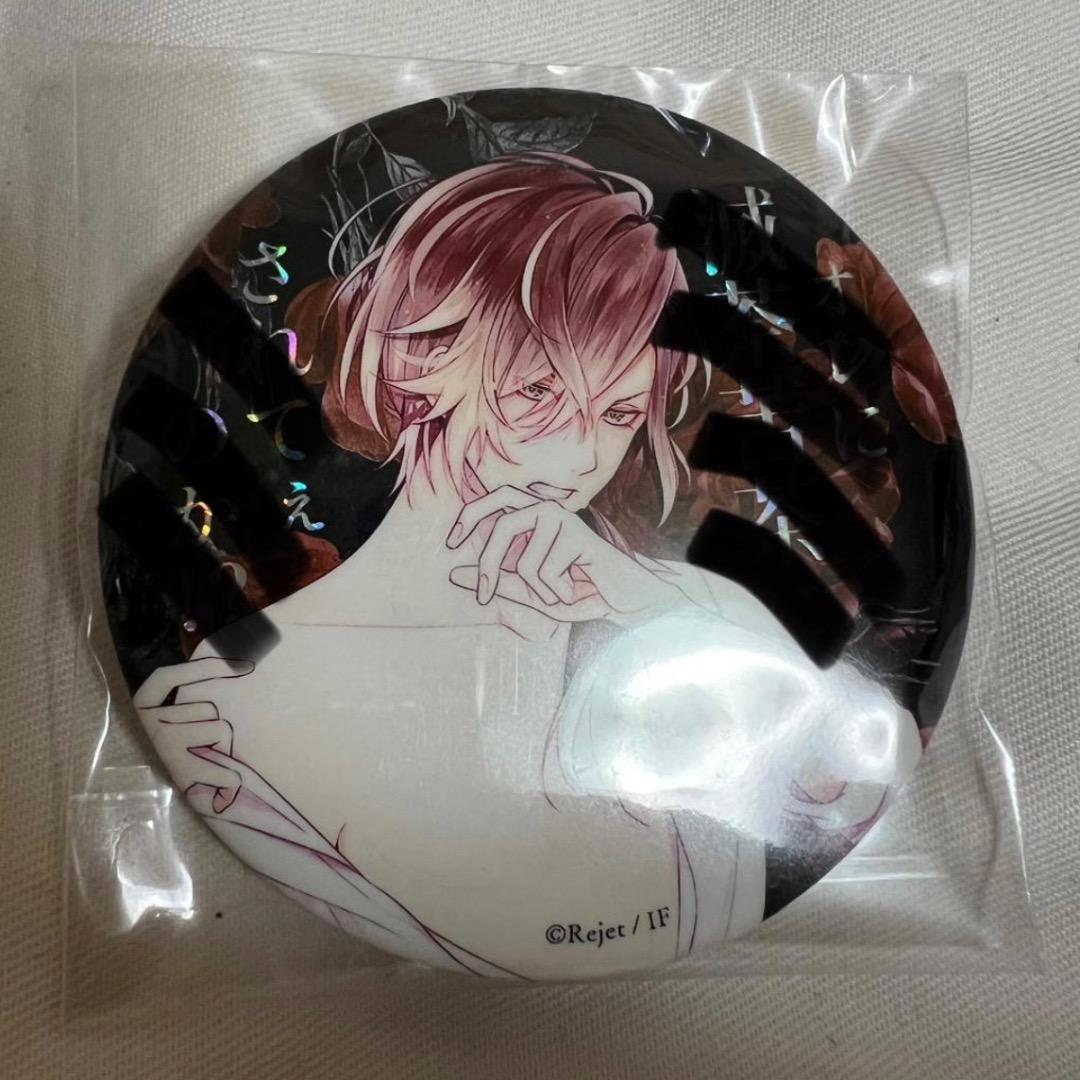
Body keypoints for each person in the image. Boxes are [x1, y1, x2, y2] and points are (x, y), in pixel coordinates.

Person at [136, 153, 920, 979]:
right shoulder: (242, 701)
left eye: (618, 411)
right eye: (536, 394)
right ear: (414, 371)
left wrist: (648, 606)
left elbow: (861, 764)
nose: (579, 455)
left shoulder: (686, 615)